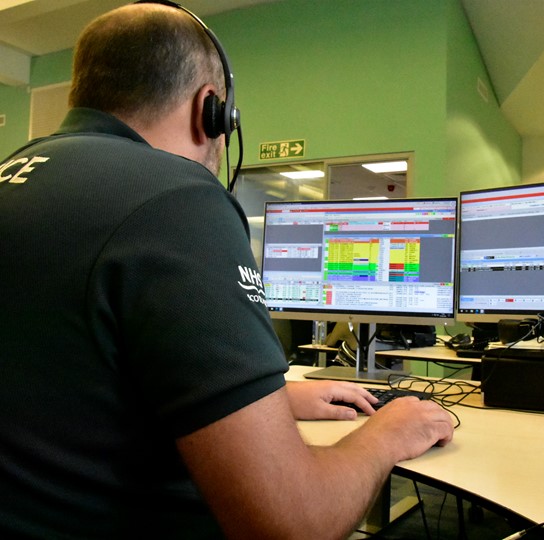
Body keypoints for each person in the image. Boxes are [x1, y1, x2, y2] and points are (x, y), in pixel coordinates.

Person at [0, 3, 454, 539]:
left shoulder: (17, 175)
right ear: (211, 110)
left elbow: (65, 386)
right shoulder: (178, 198)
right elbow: (292, 524)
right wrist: (387, 433)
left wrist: (260, 402)